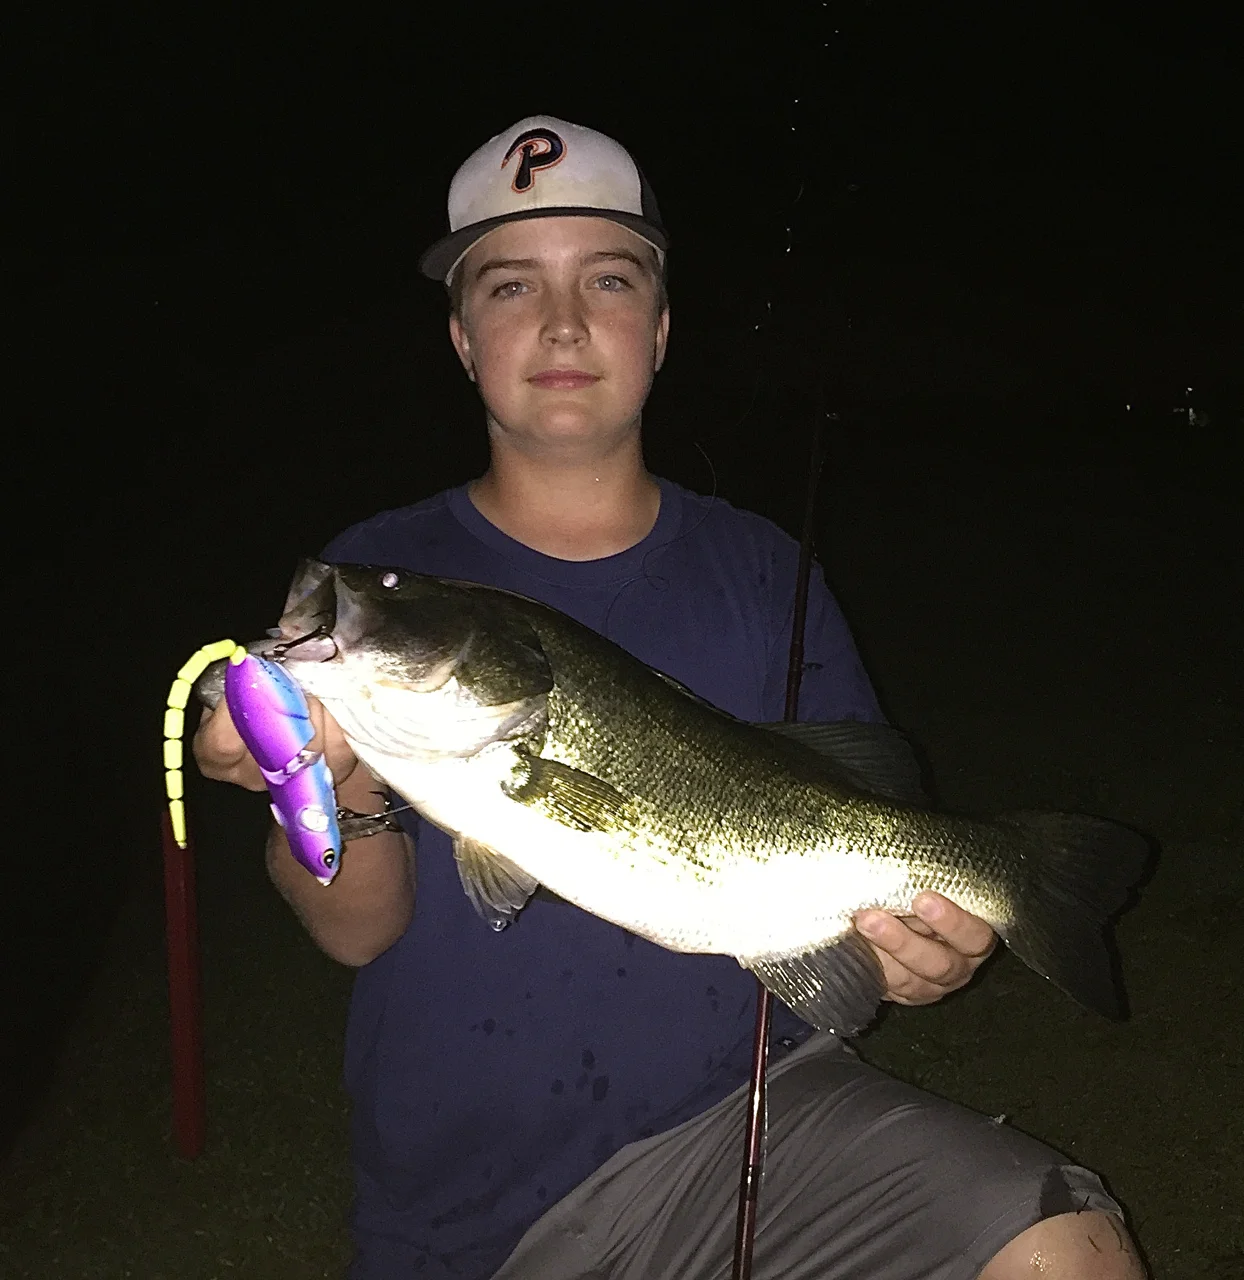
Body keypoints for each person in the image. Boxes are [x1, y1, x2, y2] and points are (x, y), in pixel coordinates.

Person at [195, 117, 1145, 1279]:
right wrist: (327, 781)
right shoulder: (379, 558)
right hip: (468, 1202)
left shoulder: (758, 569)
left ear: (657, 325)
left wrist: (911, 948)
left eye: (607, 278)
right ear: (458, 337)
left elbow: (855, 828)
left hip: (754, 1118)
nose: (560, 321)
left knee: (1065, 1248)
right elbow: (356, 930)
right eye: (509, 285)